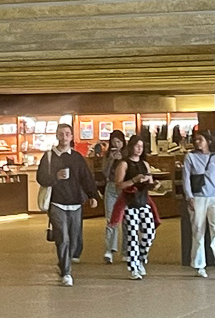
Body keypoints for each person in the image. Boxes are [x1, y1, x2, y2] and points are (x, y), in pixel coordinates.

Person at [37, 122, 99, 286]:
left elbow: (86, 177)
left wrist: (92, 195)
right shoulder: (49, 157)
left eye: (67, 134)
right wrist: (55, 176)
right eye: (61, 134)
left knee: (74, 239)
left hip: (76, 204)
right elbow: (41, 178)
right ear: (56, 135)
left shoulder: (77, 157)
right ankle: (66, 272)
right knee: (62, 238)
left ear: (71, 137)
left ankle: (65, 262)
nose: (64, 137)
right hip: (57, 203)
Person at [182, 130, 215, 279]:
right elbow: (186, 178)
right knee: (198, 230)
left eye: (201, 139)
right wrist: (189, 196)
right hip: (197, 198)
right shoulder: (190, 157)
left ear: (208, 141)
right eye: (196, 140)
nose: (198, 142)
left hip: (214, 198)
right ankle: (199, 265)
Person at [113, 135, 160, 280]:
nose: (139, 149)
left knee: (149, 233)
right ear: (131, 147)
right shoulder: (124, 164)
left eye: (141, 147)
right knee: (132, 236)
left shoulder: (144, 164)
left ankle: (140, 257)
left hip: (144, 202)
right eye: (136, 146)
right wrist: (133, 180)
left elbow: (149, 182)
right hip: (129, 204)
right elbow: (119, 184)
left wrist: (154, 184)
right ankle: (133, 267)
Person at [101, 129, 127, 264]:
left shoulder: (128, 154)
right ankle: (110, 249)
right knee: (111, 219)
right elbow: (104, 172)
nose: (116, 145)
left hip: (124, 188)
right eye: (113, 142)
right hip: (111, 187)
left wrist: (121, 159)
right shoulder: (108, 155)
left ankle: (126, 250)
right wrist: (111, 159)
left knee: (127, 220)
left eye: (118, 142)